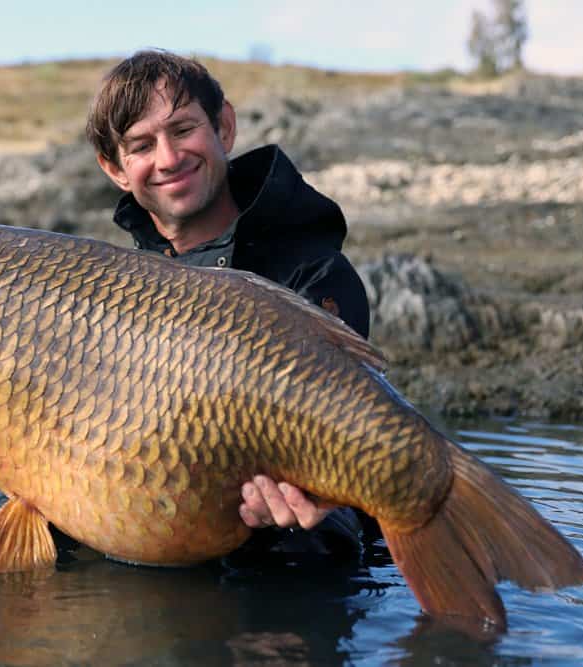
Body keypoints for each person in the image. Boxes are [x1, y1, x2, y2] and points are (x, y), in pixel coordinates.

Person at [85, 49, 372, 555]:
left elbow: (352, 459)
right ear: (115, 168)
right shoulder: (114, 288)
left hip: (291, 557)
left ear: (225, 126)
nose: (169, 158)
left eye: (183, 130)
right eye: (142, 145)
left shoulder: (313, 274)